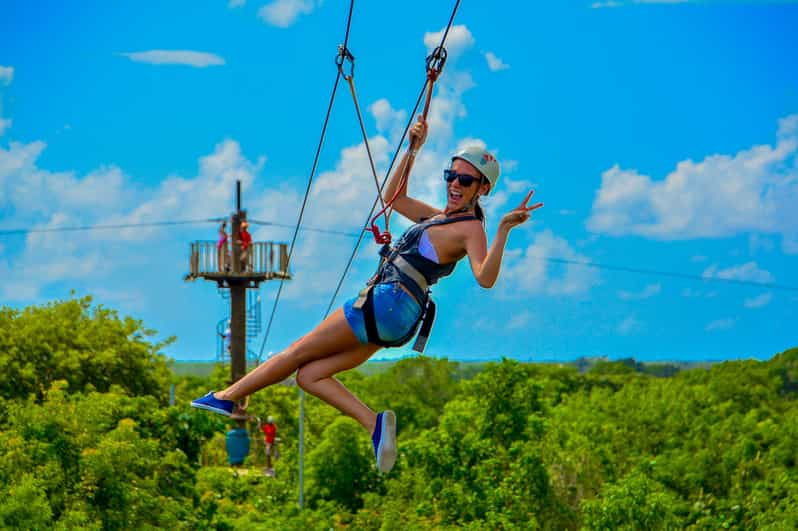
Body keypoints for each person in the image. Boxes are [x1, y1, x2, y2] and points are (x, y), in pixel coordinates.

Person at [192, 115, 543, 474]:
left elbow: (485, 277)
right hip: (398, 320)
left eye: (465, 180)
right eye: (450, 176)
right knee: (309, 376)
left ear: (482, 189)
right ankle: (374, 425)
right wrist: (412, 149)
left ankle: (227, 397)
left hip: (387, 302)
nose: (455, 184)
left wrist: (503, 229)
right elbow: (393, 198)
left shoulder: (470, 229)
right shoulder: (441, 219)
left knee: (296, 351)